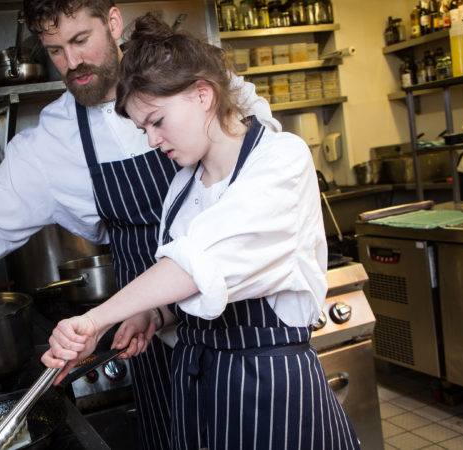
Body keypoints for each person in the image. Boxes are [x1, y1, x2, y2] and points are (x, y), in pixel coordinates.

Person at [0, 1, 279, 448]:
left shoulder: (192, 86)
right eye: (55, 51)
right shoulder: (55, 140)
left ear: (112, 22)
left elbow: (260, 193)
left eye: (80, 41)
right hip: (151, 337)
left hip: (246, 334)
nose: (72, 63)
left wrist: (95, 321)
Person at [42, 12, 360, 450]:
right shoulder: (184, 184)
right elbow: (206, 294)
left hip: (268, 389)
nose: (151, 140)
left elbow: (199, 265)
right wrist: (154, 315)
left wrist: (95, 320)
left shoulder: (280, 159)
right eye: (142, 129)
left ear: (202, 95)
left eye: (156, 121)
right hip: (199, 388)